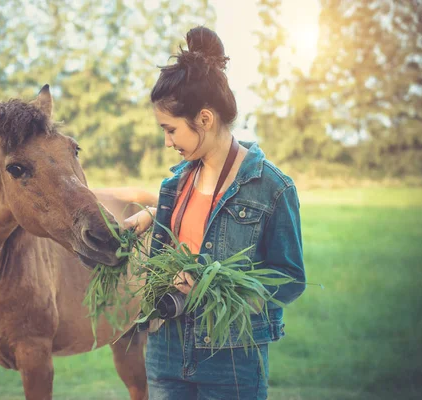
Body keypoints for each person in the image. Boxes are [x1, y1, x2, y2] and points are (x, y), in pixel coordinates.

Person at [123, 26, 306, 400]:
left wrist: (213, 288)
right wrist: (150, 217)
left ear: (204, 119)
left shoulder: (274, 188)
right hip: (166, 349)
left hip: (232, 356)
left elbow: (288, 278)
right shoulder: (174, 185)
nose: (167, 141)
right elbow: (194, 230)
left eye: (170, 130)